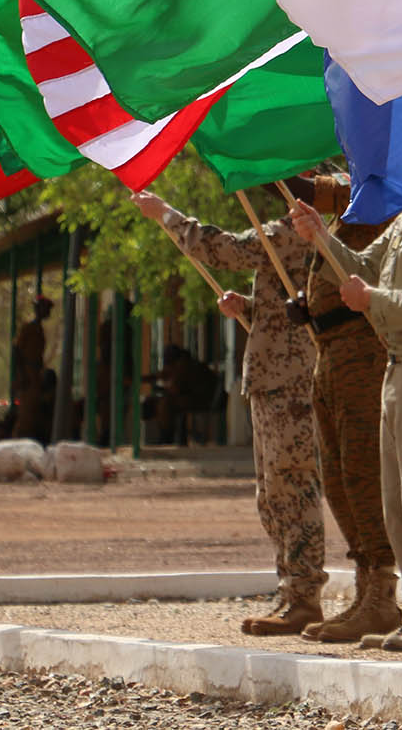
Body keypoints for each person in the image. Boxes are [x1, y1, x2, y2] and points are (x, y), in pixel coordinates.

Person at [135, 191, 324, 636]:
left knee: (292, 489)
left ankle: (303, 596)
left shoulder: (294, 231)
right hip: (272, 380)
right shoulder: (291, 233)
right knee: (273, 495)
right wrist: (251, 309)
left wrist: (168, 215)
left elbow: (227, 250)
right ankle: (292, 591)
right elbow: (290, 306)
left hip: (289, 383)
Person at [293, 198, 402, 653]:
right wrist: (322, 238)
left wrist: (373, 300)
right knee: (398, 499)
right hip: (398, 367)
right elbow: (363, 265)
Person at [295, 203, 401, 644]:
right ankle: (365, 588)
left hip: (361, 352)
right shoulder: (347, 203)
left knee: (362, 473)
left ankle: (383, 592)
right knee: (337, 479)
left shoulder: (375, 195)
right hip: (330, 351)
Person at [10, 296, 53, 443]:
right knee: (26, 416)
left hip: (35, 374)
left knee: (35, 414)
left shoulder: (39, 329)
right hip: (28, 375)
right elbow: (17, 351)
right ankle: (17, 445)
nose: (48, 312)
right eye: (46, 308)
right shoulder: (28, 328)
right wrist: (22, 374)